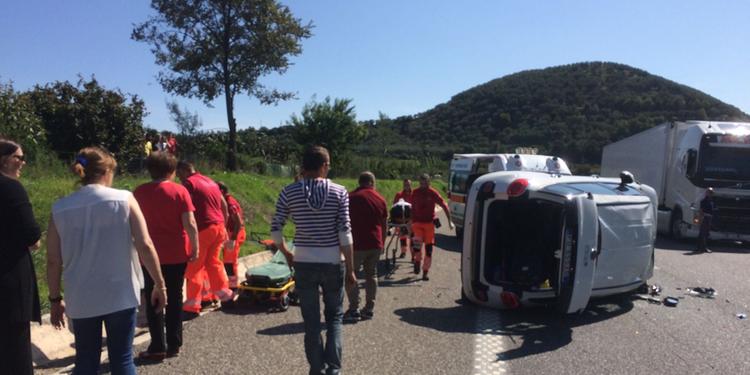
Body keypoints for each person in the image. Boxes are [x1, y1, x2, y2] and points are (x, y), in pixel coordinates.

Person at [46, 147, 167, 374]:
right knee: (122, 359)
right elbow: (145, 245)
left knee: (86, 361)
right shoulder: (124, 199)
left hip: (81, 295)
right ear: (107, 171)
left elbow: (53, 260)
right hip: (120, 293)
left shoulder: (60, 208)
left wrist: (55, 299)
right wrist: (159, 284)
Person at [270, 145, 356, 375]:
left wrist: (287, 253)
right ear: (324, 165)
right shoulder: (339, 192)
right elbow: (345, 232)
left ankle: (316, 369)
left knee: (311, 321)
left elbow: (276, 228)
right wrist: (350, 267)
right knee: (334, 318)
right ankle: (333, 369)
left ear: (304, 166)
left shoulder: (289, 192)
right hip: (331, 261)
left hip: (303, 261)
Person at [134, 152, 200, 360]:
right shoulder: (180, 191)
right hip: (176, 253)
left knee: (153, 298)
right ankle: (174, 343)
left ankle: (157, 345)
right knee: (175, 296)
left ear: (149, 170)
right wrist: (195, 248)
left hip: (148, 254)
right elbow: (190, 224)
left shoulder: (139, 192)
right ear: (172, 171)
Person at [0, 139, 41, 375]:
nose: (23, 163)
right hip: (9, 280)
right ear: (5, 160)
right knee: (15, 353)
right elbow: (32, 235)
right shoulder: (11, 188)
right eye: (19, 158)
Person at [176, 160, 234, 315]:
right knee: (214, 263)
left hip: (203, 228)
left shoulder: (188, 184)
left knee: (194, 266)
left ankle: (191, 305)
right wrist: (223, 225)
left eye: (178, 174)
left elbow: (182, 208)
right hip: (219, 227)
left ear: (183, 170)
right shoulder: (210, 182)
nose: (178, 178)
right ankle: (224, 295)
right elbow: (224, 207)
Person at [344, 171, 388, 323]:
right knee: (372, 275)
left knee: (351, 274)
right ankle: (369, 309)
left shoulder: (349, 197)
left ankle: (354, 309)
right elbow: (384, 224)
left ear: (360, 182)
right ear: (372, 182)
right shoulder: (380, 199)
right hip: (375, 243)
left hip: (356, 244)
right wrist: (382, 242)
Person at [410, 173, 454, 281]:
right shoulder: (415, 193)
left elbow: (444, 205)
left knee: (428, 250)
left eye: (425, 183)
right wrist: (409, 221)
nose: (422, 185)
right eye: (421, 183)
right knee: (417, 246)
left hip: (429, 224)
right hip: (417, 223)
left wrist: (450, 221)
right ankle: (417, 261)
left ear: (429, 183)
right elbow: (411, 208)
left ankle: (425, 272)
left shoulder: (433, 193)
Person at [218, 181, 247, 290]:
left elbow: (238, 223)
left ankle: (233, 287)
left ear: (222, 191)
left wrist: (233, 239)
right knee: (228, 261)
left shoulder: (230, 203)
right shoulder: (227, 201)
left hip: (235, 232)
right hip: (232, 232)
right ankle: (232, 285)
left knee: (229, 262)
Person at [393, 179, 414, 259]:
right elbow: (394, 206)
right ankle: (403, 252)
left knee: (413, 238)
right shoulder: (399, 195)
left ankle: (413, 255)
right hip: (401, 219)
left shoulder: (414, 194)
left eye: (408, 184)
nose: (407, 186)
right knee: (402, 237)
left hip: (412, 219)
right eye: (405, 185)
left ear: (410, 185)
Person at [697, 188, 716, 253]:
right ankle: (700, 247)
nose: (711, 194)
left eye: (711, 192)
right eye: (710, 192)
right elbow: (701, 211)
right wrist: (700, 219)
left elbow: (712, 210)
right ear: (706, 193)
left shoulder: (711, 201)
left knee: (706, 233)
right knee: (702, 233)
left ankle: (704, 247)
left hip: (709, 218)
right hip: (704, 217)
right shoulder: (703, 201)